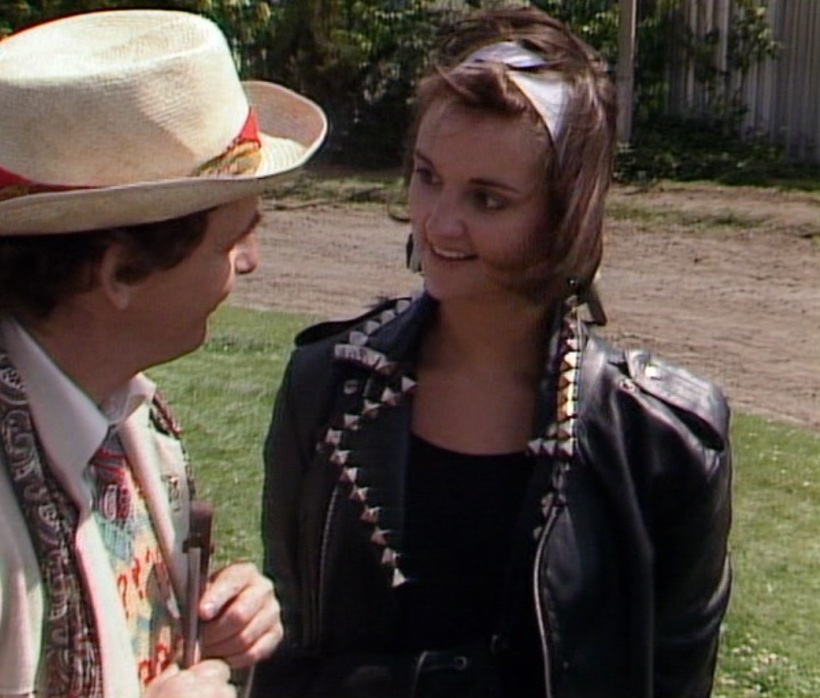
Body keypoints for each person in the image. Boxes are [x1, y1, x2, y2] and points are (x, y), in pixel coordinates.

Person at [252, 6, 731, 698]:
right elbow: (289, 648)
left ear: (565, 215)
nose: (441, 223)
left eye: (489, 200)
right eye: (428, 176)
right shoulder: (323, 387)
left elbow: (676, 678)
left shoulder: (664, 441)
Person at [0, 9, 326, 698]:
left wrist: (204, 627)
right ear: (118, 274)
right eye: (231, 241)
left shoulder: (116, 409)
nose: (249, 263)